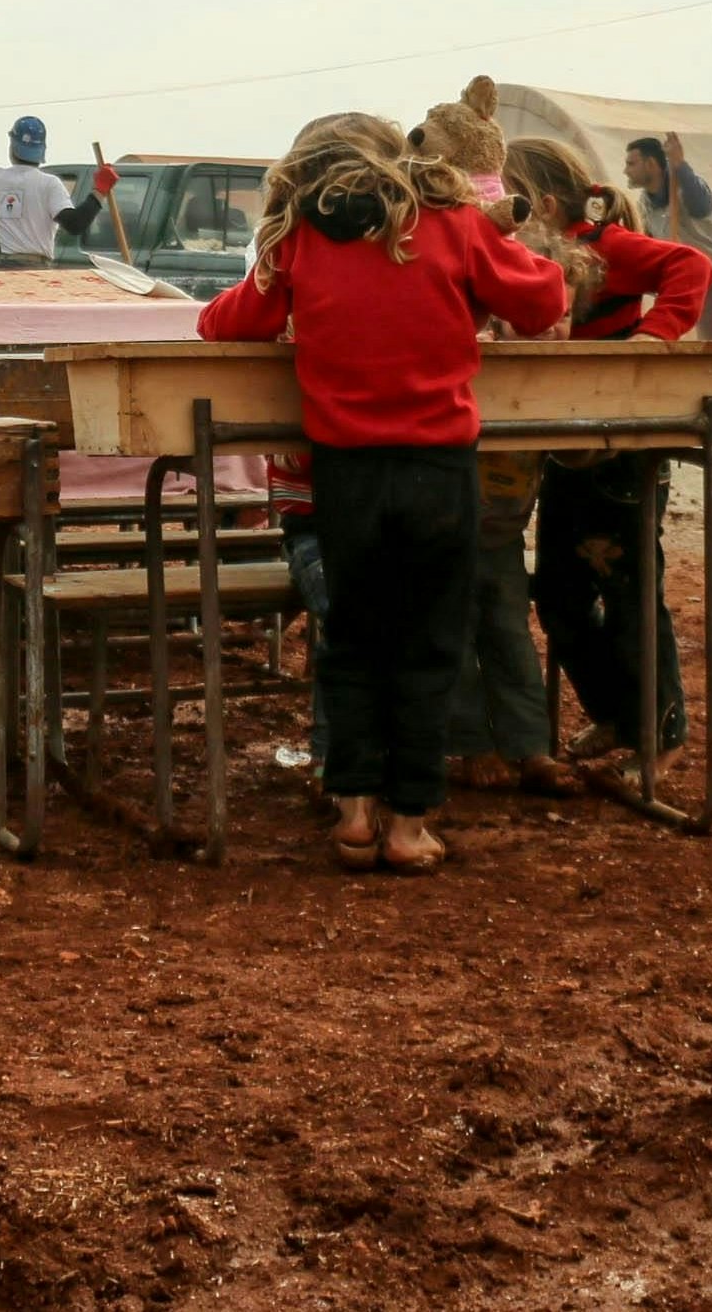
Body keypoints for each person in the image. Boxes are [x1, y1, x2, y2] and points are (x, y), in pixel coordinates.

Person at [195, 112, 576, 876]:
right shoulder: (452, 220)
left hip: (346, 472)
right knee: (431, 639)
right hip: (438, 466)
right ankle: (409, 823)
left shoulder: (302, 232)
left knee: (355, 638)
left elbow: (225, 323)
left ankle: (354, 814)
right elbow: (541, 302)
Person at [512, 137, 712, 782]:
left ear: (542, 204)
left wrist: (653, 341)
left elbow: (691, 266)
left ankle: (662, 734)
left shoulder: (603, 248)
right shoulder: (529, 255)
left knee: (629, 592)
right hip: (568, 450)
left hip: (621, 451)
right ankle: (620, 713)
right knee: (561, 598)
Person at [625, 133, 712, 341]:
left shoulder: (687, 188)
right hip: (678, 281)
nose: (626, 171)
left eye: (631, 164)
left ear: (650, 164)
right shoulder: (645, 204)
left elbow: (700, 205)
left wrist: (679, 164)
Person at [0, 117, 71, 267]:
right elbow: (74, 223)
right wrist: (99, 192)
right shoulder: (49, 184)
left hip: (0, 267)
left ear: (12, 145)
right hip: (36, 269)